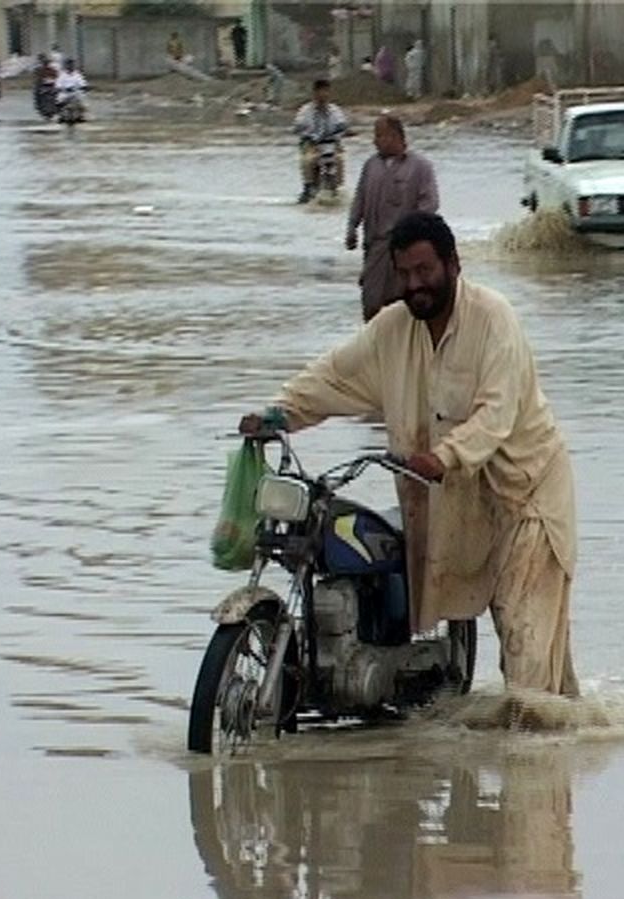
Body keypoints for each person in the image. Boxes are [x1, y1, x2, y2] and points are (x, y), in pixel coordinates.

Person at [239, 212, 580, 698]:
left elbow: (496, 413)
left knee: (525, 641)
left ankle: (537, 752)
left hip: (526, 496)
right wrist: (279, 414)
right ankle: (563, 739)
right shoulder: (392, 329)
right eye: (405, 274)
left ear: (453, 265)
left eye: (425, 272)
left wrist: (443, 455)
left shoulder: (493, 318)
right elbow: (335, 375)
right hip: (451, 497)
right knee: (536, 658)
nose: (415, 285)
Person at [345, 114, 438, 320]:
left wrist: (413, 233)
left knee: (402, 308)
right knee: (371, 304)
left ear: (395, 136)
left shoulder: (420, 167)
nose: (375, 141)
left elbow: (430, 204)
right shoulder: (371, 165)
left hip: (405, 251)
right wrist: (352, 227)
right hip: (375, 248)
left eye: (379, 135)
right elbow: (360, 198)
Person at [292, 77, 349, 203]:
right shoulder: (305, 111)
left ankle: (337, 187)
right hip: (311, 145)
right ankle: (309, 186)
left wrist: (344, 133)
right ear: (315, 93)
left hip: (331, 144)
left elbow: (342, 127)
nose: (324, 95)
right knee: (308, 160)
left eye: (326, 91)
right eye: (321, 91)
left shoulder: (335, 111)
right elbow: (299, 128)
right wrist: (311, 140)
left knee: (339, 159)